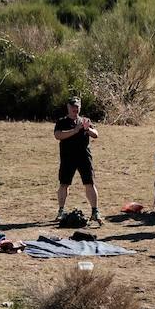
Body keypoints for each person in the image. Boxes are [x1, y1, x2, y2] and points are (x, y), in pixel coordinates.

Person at [54, 96, 101, 224]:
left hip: (84, 157)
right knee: (64, 184)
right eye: (73, 106)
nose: (75, 109)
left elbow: (96, 134)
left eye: (77, 107)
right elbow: (58, 135)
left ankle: (95, 211)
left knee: (89, 183)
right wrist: (75, 130)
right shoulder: (62, 121)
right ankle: (61, 210)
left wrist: (87, 129)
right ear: (68, 107)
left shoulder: (85, 120)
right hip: (68, 157)